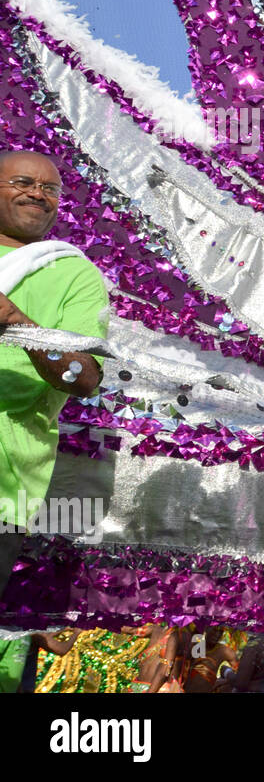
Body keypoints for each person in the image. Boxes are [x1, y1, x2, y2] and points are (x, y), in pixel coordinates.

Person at [0, 151, 108, 597]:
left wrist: (15, 322)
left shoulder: (73, 273)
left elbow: (84, 377)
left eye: (49, 188)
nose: (36, 194)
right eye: (23, 182)